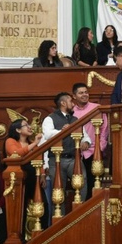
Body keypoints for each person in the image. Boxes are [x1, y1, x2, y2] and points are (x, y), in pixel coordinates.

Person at [39, 92, 92, 220]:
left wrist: (86, 142)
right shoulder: (50, 118)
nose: (72, 103)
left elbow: (85, 135)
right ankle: (59, 219)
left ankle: (79, 212)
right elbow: (47, 135)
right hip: (56, 160)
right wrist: (62, 131)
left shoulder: (75, 120)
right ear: (63, 103)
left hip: (74, 158)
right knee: (58, 190)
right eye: (70, 100)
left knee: (83, 182)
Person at [5, 119, 48, 232]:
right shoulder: (10, 141)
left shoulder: (31, 143)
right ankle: (19, 237)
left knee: (43, 205)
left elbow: (39, 158)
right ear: (18, 129)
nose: (29, 127)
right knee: (20, 208)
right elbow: (16, 153)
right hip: (19, 177)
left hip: (35, 176)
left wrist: (42, 174)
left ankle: (43, 234)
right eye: (26, 125)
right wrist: (35, 143)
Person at [72, 82, 109, 192]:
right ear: (74, 96)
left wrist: (100, 147)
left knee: (93, 183)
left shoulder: (96, 108)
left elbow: (104, 129)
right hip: (76, 153)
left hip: (94, 151)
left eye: (86, 92)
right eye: (81, 93)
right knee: (79, 183)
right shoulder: (71, 112)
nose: (84, 95)